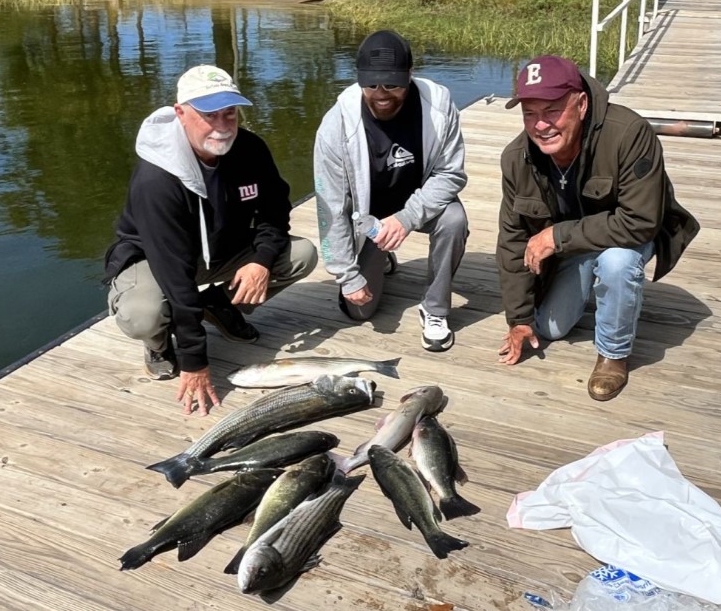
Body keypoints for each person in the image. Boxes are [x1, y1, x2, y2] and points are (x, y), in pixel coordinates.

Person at [104, 65, 317, 415]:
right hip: (155, 259)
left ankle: (220, 305)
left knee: (302, 254)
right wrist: (195, 361)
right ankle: (159, 345)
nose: (222, 125)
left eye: (229, 113)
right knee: (142, 313)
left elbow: (275, 212)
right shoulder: (157, 179)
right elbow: (174, 273)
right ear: (181, 113)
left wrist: (260, 261)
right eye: (208, 115)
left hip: (220, 248)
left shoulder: (251, 149)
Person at [496, 55, 699, 400]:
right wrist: (518, 317)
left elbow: (640, 221)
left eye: (552, 110)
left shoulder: (630, 133)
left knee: (617, 263)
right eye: (530, 113)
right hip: (574, 249)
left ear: (581, 103)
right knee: (550, 328)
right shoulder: (516, 157)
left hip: (628, 236)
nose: (541, 125)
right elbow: (512, 240)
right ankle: (591, 281)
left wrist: (556, 236)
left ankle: (613, 355)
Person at [314, 29, 468, 352]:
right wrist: (347, 277)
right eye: (371, 84)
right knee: (358, 311)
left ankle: (436, 309)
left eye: (392, 84)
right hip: (367, 219)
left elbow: (451, 174)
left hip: (418, 204)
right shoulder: (335, 125)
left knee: (454, 218)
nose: (381, 93)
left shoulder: (438, 106)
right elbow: (331, 207)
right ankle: (379, 256)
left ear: (410, 75)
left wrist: (406, 218)